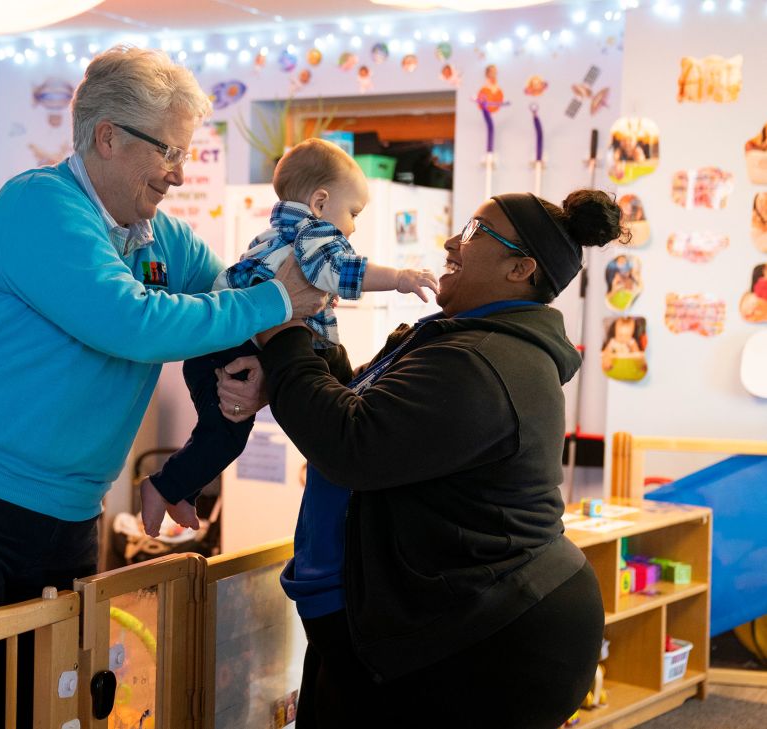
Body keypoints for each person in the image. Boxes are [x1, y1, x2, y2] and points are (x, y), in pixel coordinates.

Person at [0, 45, 326, 729]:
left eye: (185, 155)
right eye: (169, 152)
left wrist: (255, 362)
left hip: (65, 515)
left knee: (45, 710)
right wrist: (273, 307)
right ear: (107, 137)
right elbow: (128, 322)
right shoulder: (41, 204)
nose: (176, 174)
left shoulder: (160, 238)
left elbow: (227, 297)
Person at [217, 189, 625, 728]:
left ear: (520, 269)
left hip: (486, 632)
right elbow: (365, 408)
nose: (453, 241)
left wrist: (287, 330)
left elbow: (352, 445)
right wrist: (290, 371)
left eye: (476, 232)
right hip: (433, 611)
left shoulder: (484, 362)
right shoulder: (462, 340)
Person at [139, 139, 437, 533]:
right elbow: (344, 270)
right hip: (231, 350)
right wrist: (399, 278)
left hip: (232, 345)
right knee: (255, 423)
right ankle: (163, 487)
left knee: (226, 433)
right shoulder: (314, 234)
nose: (353, 226)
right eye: (352, 213)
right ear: (320, 202)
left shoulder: (275, 233)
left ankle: (181, 490)